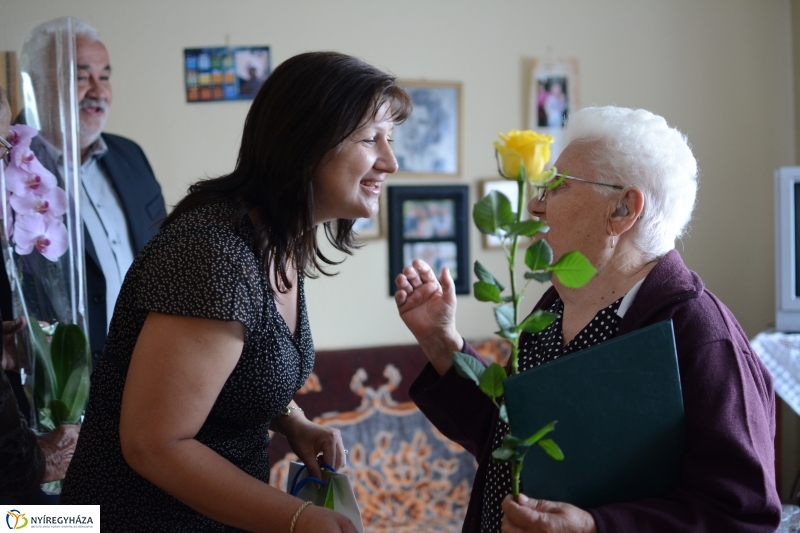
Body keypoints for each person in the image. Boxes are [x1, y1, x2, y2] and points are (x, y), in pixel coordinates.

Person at [61, 51, 411, 532]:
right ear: (306, 141)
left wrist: (291, 420)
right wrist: (301, 520)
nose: (390, 161)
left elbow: (237, 373)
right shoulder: (215, 256)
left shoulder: (276, 241)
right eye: (372, 139)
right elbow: (153, 444)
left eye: (389, 141)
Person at [394, 106, 781, 533]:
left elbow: (742, 515)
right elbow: (507, 437)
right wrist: (440, 340)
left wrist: (596, 527)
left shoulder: (700, 335)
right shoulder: (553, 307)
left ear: (622, 209)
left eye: (555, 186)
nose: (535, 205)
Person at [1, 17, 168, 368]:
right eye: (80, 77)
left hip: (144, 375)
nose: (98, 91)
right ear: (38, 85)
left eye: (104, 76)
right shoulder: (9, 167)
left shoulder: (131, 156)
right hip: (50, 387)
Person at [0, 87, 80, 504]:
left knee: (78, 523)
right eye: (1, 144)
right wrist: (41, 460)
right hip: (16, 489)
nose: (6, 158)